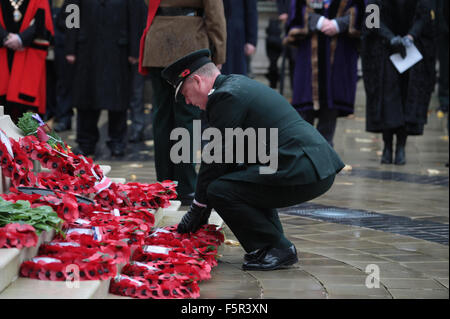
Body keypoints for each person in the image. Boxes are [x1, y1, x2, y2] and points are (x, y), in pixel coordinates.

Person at [161, 49, 344, 271]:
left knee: (220, 190)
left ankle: (277, 248)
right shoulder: (234, 85)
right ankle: (274, 246)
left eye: (185, 93)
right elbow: (230, 158)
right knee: (242, 183)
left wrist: (199, 207)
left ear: (198, 81)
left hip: (302, 165)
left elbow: (216, 158)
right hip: (307, 163)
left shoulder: (224, 96)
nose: (188, 101)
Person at [138, 0, 227, 205]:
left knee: (162, 116)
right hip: (190, 42)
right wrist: (219, 52)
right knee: (187, 117)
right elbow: (215, 15)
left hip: (158, 40)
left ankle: (164, 183)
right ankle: (185, 186)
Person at [361, 0, 436, 165]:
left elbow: (426, 14)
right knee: (387, 98)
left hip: (412, 50)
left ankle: (401, 146)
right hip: (383, 49)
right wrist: (389, 37)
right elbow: (371, 17)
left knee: (407, 98)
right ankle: (387, 146)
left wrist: (411, 35)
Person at [64, 0, 142, 157]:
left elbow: (136, 16)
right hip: (86, 50)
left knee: (118, 100)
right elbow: (71, 13)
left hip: (117, 50)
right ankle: (86, 143)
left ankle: (117, 142)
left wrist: (135, 50)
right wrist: (70, 46)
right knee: (86, 100)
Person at [284, 0, 365, 147]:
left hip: (341, 51)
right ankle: (303, 151)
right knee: (304, 108)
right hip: (309, 53)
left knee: (331, 104)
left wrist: (341, 23)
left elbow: (367, 11)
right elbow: (295, 11)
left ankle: (325, 151)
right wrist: (317, 20)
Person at [0, 0, 54, 123]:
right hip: (3, 52)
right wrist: (5, 37)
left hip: (28, 54)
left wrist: (21, 39)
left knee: (23, 115)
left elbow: (42, 22)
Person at [221, 0, 258, 76]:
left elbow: (251, 11)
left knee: (237, 74)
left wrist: (251, 40)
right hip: (219, 34)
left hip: (237, 37)